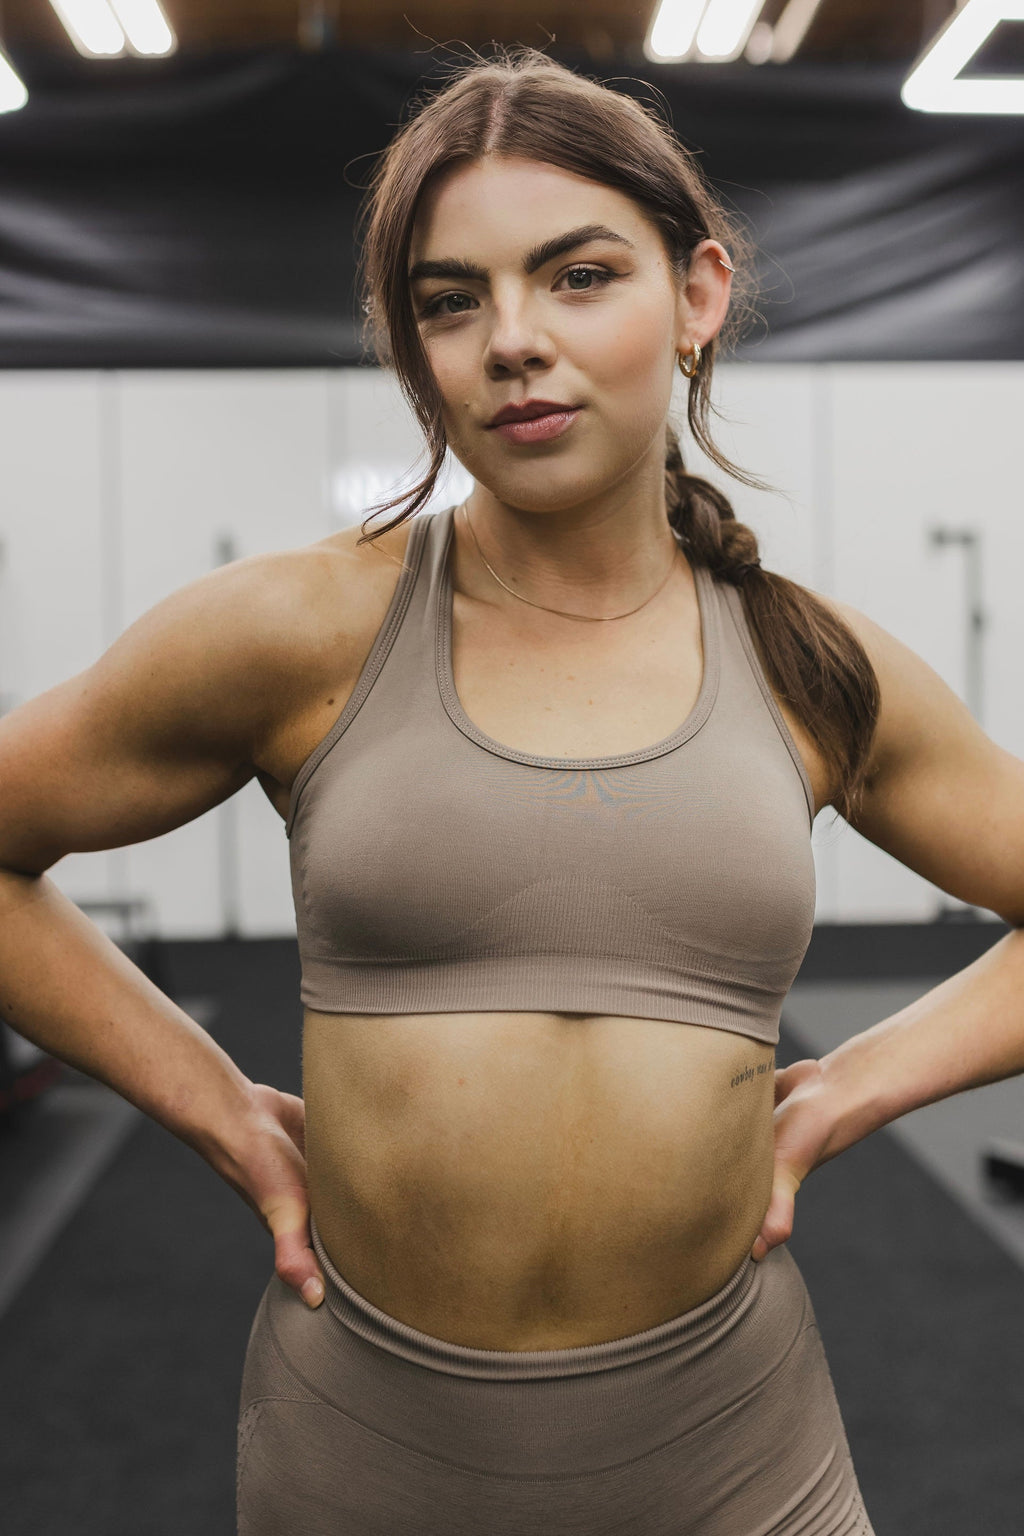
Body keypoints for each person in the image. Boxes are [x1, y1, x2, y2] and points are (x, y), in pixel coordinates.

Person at [2, 42, 1023, 1536]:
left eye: (578, 276)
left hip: (742, 1459)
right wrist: (213, 1107)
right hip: (366, 1452)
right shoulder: (298, 631)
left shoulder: (812, 665)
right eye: (451, 300)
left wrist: (854, 1088)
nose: (512, 342)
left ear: (698, 295)